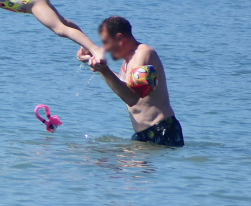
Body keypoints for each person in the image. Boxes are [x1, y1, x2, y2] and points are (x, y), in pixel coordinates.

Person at [77, 16, 183, 147]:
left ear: (120, 38)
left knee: (103, 158)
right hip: (143, 135)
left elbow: (131, 97)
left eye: (106, 42)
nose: (105, 48)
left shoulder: (143, 54)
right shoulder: (128, 62)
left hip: (162, 132)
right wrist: (95, 62)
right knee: (103, 160)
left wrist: (104, 70)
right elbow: (122, 84)